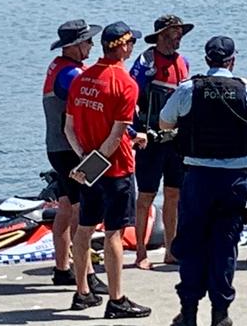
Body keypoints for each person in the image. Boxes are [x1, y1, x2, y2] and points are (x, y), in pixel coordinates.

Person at [159, 36, 247, 326]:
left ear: (207, 60)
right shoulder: (245, 90)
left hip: (198, 178)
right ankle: (220, 313)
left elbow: (165, 121)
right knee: (225, 246)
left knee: (192, 243)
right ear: (232, 61)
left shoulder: (189, 88)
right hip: (234, 180)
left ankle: (188, 312)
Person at [65, 21, 151, 319]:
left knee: (85, 228)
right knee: (114, 233)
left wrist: (85, 162)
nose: (133, 48)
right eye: (131, 44)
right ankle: (117, 300)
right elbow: (114, 137)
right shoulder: (125, 83)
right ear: (123, 47)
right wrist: (98, 162)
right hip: (116, 171)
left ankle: (82, 293)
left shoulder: (81, 79)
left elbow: (69, 129)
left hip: (89, 169)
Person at [43, 19, 107, 294]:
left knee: (66, 206)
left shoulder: (60, 67)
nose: (92, 45)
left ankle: (62, 269)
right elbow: (94, 101)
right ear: (74, 46)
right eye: (88, 41)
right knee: (84, 209)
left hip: (57, 148)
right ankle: (87, 275)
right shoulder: (69, 75)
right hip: (72, 150)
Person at [129, 14, 193, 269]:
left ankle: (171, 249)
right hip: (150, 140)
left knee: (174, 194)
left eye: (178, 35)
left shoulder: (183, 63)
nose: (176, 40)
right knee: (145, 196)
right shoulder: (146, 61)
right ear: (159, 37)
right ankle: (141, 253)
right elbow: (129, 95)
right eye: (171, 35)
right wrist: (134, 132)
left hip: (175, 140)